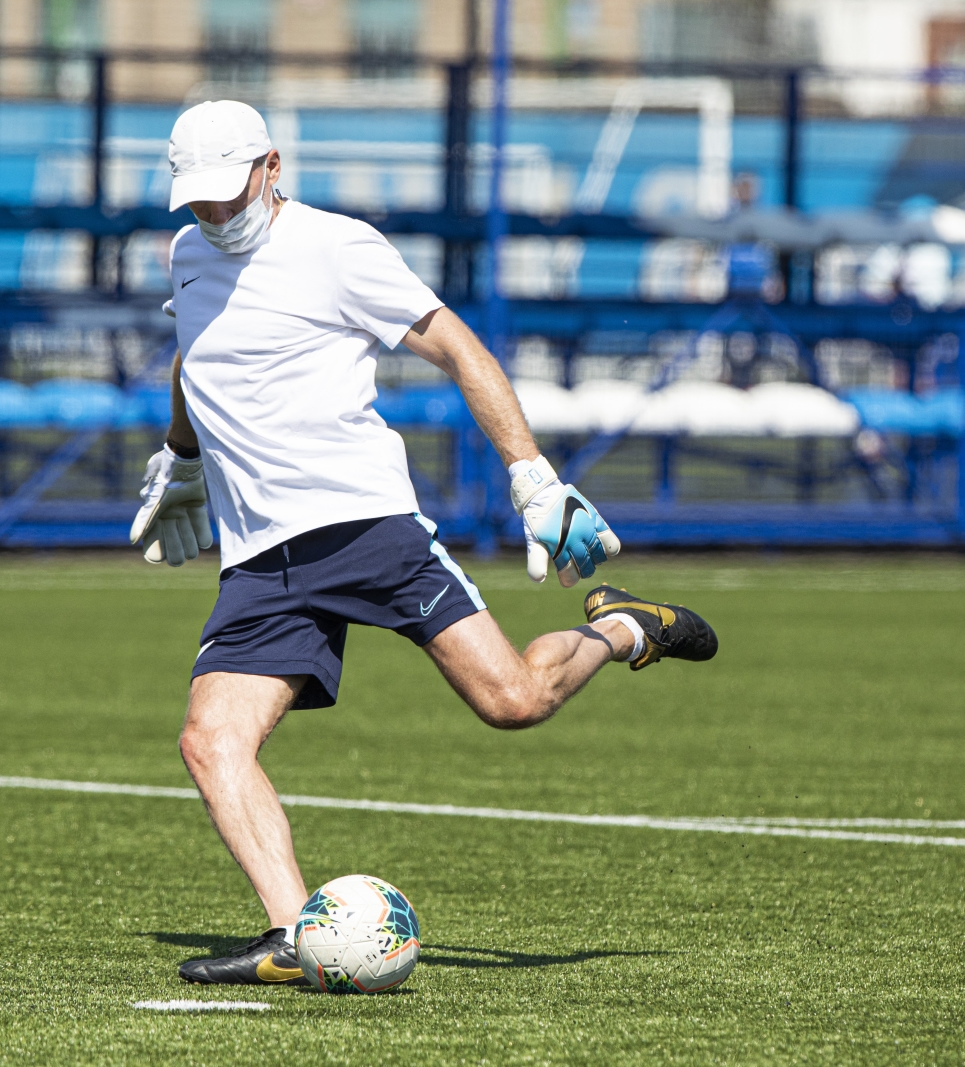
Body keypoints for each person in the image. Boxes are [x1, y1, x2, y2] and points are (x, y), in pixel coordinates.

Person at [131, 101, 718, 987]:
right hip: (258, 558)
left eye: (228, 191)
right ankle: (294, 934)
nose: (215, 213)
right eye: (197, 199)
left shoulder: (338, 246)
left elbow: (458, 348)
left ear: (272, 166)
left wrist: (533, 477)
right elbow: (193, 350)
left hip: (364, 527)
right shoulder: (189, 254)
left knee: (513, 700)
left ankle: (625, 627)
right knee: (210, 741)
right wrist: (181, 459)